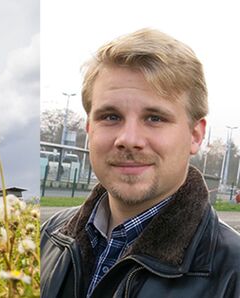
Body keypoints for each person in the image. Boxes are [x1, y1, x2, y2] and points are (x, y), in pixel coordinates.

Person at [40, 28, 240, 297]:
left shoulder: (233, 274)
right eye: (110, 116)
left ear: (195, 135)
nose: (129, 139)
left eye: (155, 118)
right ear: (89, 129)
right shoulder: (46, 237)